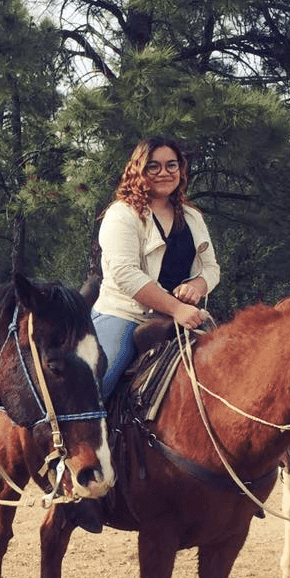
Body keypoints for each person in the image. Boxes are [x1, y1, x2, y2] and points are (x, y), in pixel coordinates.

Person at [93, 136, 221, 401]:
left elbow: (211, 268)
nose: (164, 172)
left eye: (171, 165)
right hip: (127, 315)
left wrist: (196, 286)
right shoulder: (122, 214)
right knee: (97, 385)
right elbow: (126, 274)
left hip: (183, 315)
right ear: (138, 169)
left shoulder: (192, 216)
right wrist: (177, 308)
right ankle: (64, 440)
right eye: (154, 166)